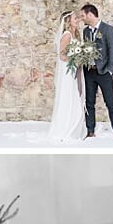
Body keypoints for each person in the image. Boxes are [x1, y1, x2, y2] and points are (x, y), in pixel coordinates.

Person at [81, 3, 113, 138]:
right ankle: (90, 130)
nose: (82, 18)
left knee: (110, 102)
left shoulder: (108, 29)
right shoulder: (86, 31)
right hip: (89, 72)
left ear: (91, 15)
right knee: (89, 103)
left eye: (83, 15)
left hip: (103, 72)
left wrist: (109, 70)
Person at [46, 10, 86, 142]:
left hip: (76, 70)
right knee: (70, 97)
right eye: (75, 18)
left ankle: (76, 127)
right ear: (68, 21)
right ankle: (66, 127)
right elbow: (62, 55)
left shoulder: (76, 34)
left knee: (76, 96)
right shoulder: (67, 35)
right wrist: (75, 59)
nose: (78, 20)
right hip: (69, 72)